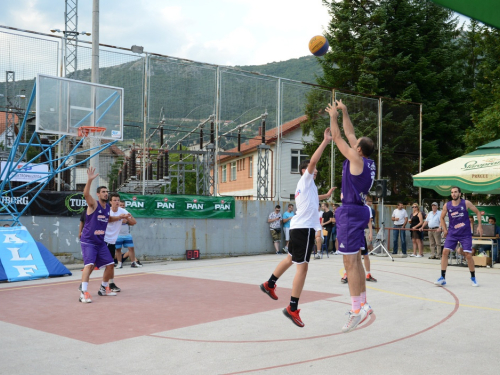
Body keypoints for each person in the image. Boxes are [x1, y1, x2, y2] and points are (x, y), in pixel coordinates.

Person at [259, 126, 335, 328]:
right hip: (304, 230)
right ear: (305, 170)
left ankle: (269, 283)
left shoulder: (306, 186)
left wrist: (325, 196)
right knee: (303, 267)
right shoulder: (306, 177)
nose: (315, 169)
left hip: (297, 227)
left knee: (291, 258)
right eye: (311, 168)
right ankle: (292, 308)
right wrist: (325, 141)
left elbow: (311, 199)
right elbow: (314, 162)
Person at [326, 99, 375, 333]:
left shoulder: (356, 160)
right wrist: (345, 110)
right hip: (358, 210)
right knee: (355, 261)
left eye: (355, 144)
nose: (353, 143)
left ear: (358, 150)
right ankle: (363, 304)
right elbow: (350, 132)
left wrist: (332, 116)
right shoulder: (367, 161)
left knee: (349, 262)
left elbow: (338, 138)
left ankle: (356, 310)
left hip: (350, 211)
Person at [79, 167, 129, 303]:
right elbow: (85, 195)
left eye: (107, 192)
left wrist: (120, 217)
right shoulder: (93, 205)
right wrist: (89, 180)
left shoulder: (107, 208)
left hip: (100, 242)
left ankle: (103, 288)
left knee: (110, 264)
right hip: (89, 241)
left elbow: (108, 219)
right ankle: (83, 292)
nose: (106, 194)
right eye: (103, 192)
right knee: (89, 265)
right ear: (98, 194)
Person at [435, 186, 483, 287]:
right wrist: (445, 229)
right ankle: (442, 277)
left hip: (465, 233)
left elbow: (478, 212)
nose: (454, 194)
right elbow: (441, 217)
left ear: (460, 193)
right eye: (452, 192)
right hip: (452, 233)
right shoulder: (447, 205)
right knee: (444, 252)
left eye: (456, 192)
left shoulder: (466, 203)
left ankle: (473, 278)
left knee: (468, 255)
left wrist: (479, 226)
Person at [104, 193, 137, 270]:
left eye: (118, 200)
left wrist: (128, 218)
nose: (117, 202)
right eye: (114, 200)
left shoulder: (123, 210)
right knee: (98, 262)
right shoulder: (107, 210)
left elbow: (134, 222)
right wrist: (120, 217)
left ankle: (109, 281)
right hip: (104, 238)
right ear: (110, 202)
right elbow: (107, 219)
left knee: (110, 263)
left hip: (113, 239)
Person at [116, 200, 142, 267]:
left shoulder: (127, 213)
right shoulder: (115, 213)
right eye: (120, 205)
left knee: (131, 248)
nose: (122, 206)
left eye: (123, 205)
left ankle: (133, 263)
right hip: (118, 235)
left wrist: (127, 221)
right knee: (118, 249)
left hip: (127, 234)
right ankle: (119, 263)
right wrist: (120, 221)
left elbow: (133, 222)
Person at [364, 196, 376, 282]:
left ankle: (368, 273)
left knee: (365, 254)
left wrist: (371, 233)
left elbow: (369, 221)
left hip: (363, 232)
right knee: (351, 255)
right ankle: (347, 274)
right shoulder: (351, 205)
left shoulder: (367, 208)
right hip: (354, 233)